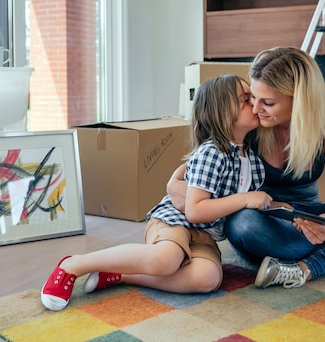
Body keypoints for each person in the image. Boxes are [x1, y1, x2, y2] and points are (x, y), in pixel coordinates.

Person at [167, 46, 325, 289]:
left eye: (268, 102)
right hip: (263, 220)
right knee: (242, 223)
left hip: (308, 217)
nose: (255, 109)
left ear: (300, 101)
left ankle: (306, 268)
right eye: (252, 97)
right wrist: (174, 187)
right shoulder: (250, 123)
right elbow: (188, 176)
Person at [41, 74, 273, 311]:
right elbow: (194, 210)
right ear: (221, 111)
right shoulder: (212, 153)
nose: (254, 105)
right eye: (246, 99)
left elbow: (250, 202)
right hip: (176, 220)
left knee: (208, 279)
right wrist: (245, 198)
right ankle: (73, 265)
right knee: (165, 260)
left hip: (206, 234)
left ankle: (120, 275)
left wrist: (282, 209)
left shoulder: (252, 160)